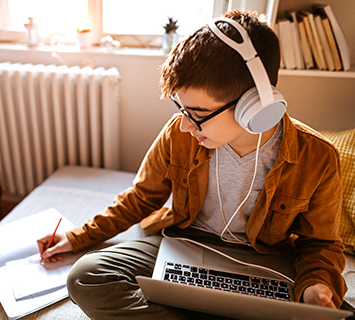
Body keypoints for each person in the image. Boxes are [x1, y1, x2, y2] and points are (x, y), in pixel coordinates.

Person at [37, 10, 347, 320]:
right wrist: (80, 236)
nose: (185, 125)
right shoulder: (178, 133)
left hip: (262, 260)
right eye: (180, 108)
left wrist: (316, 287)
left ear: (254, 107)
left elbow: (319, 243)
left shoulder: (317, 157)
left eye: (197, 113)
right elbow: (142, 197)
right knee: (86, 277)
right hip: (183, 242)